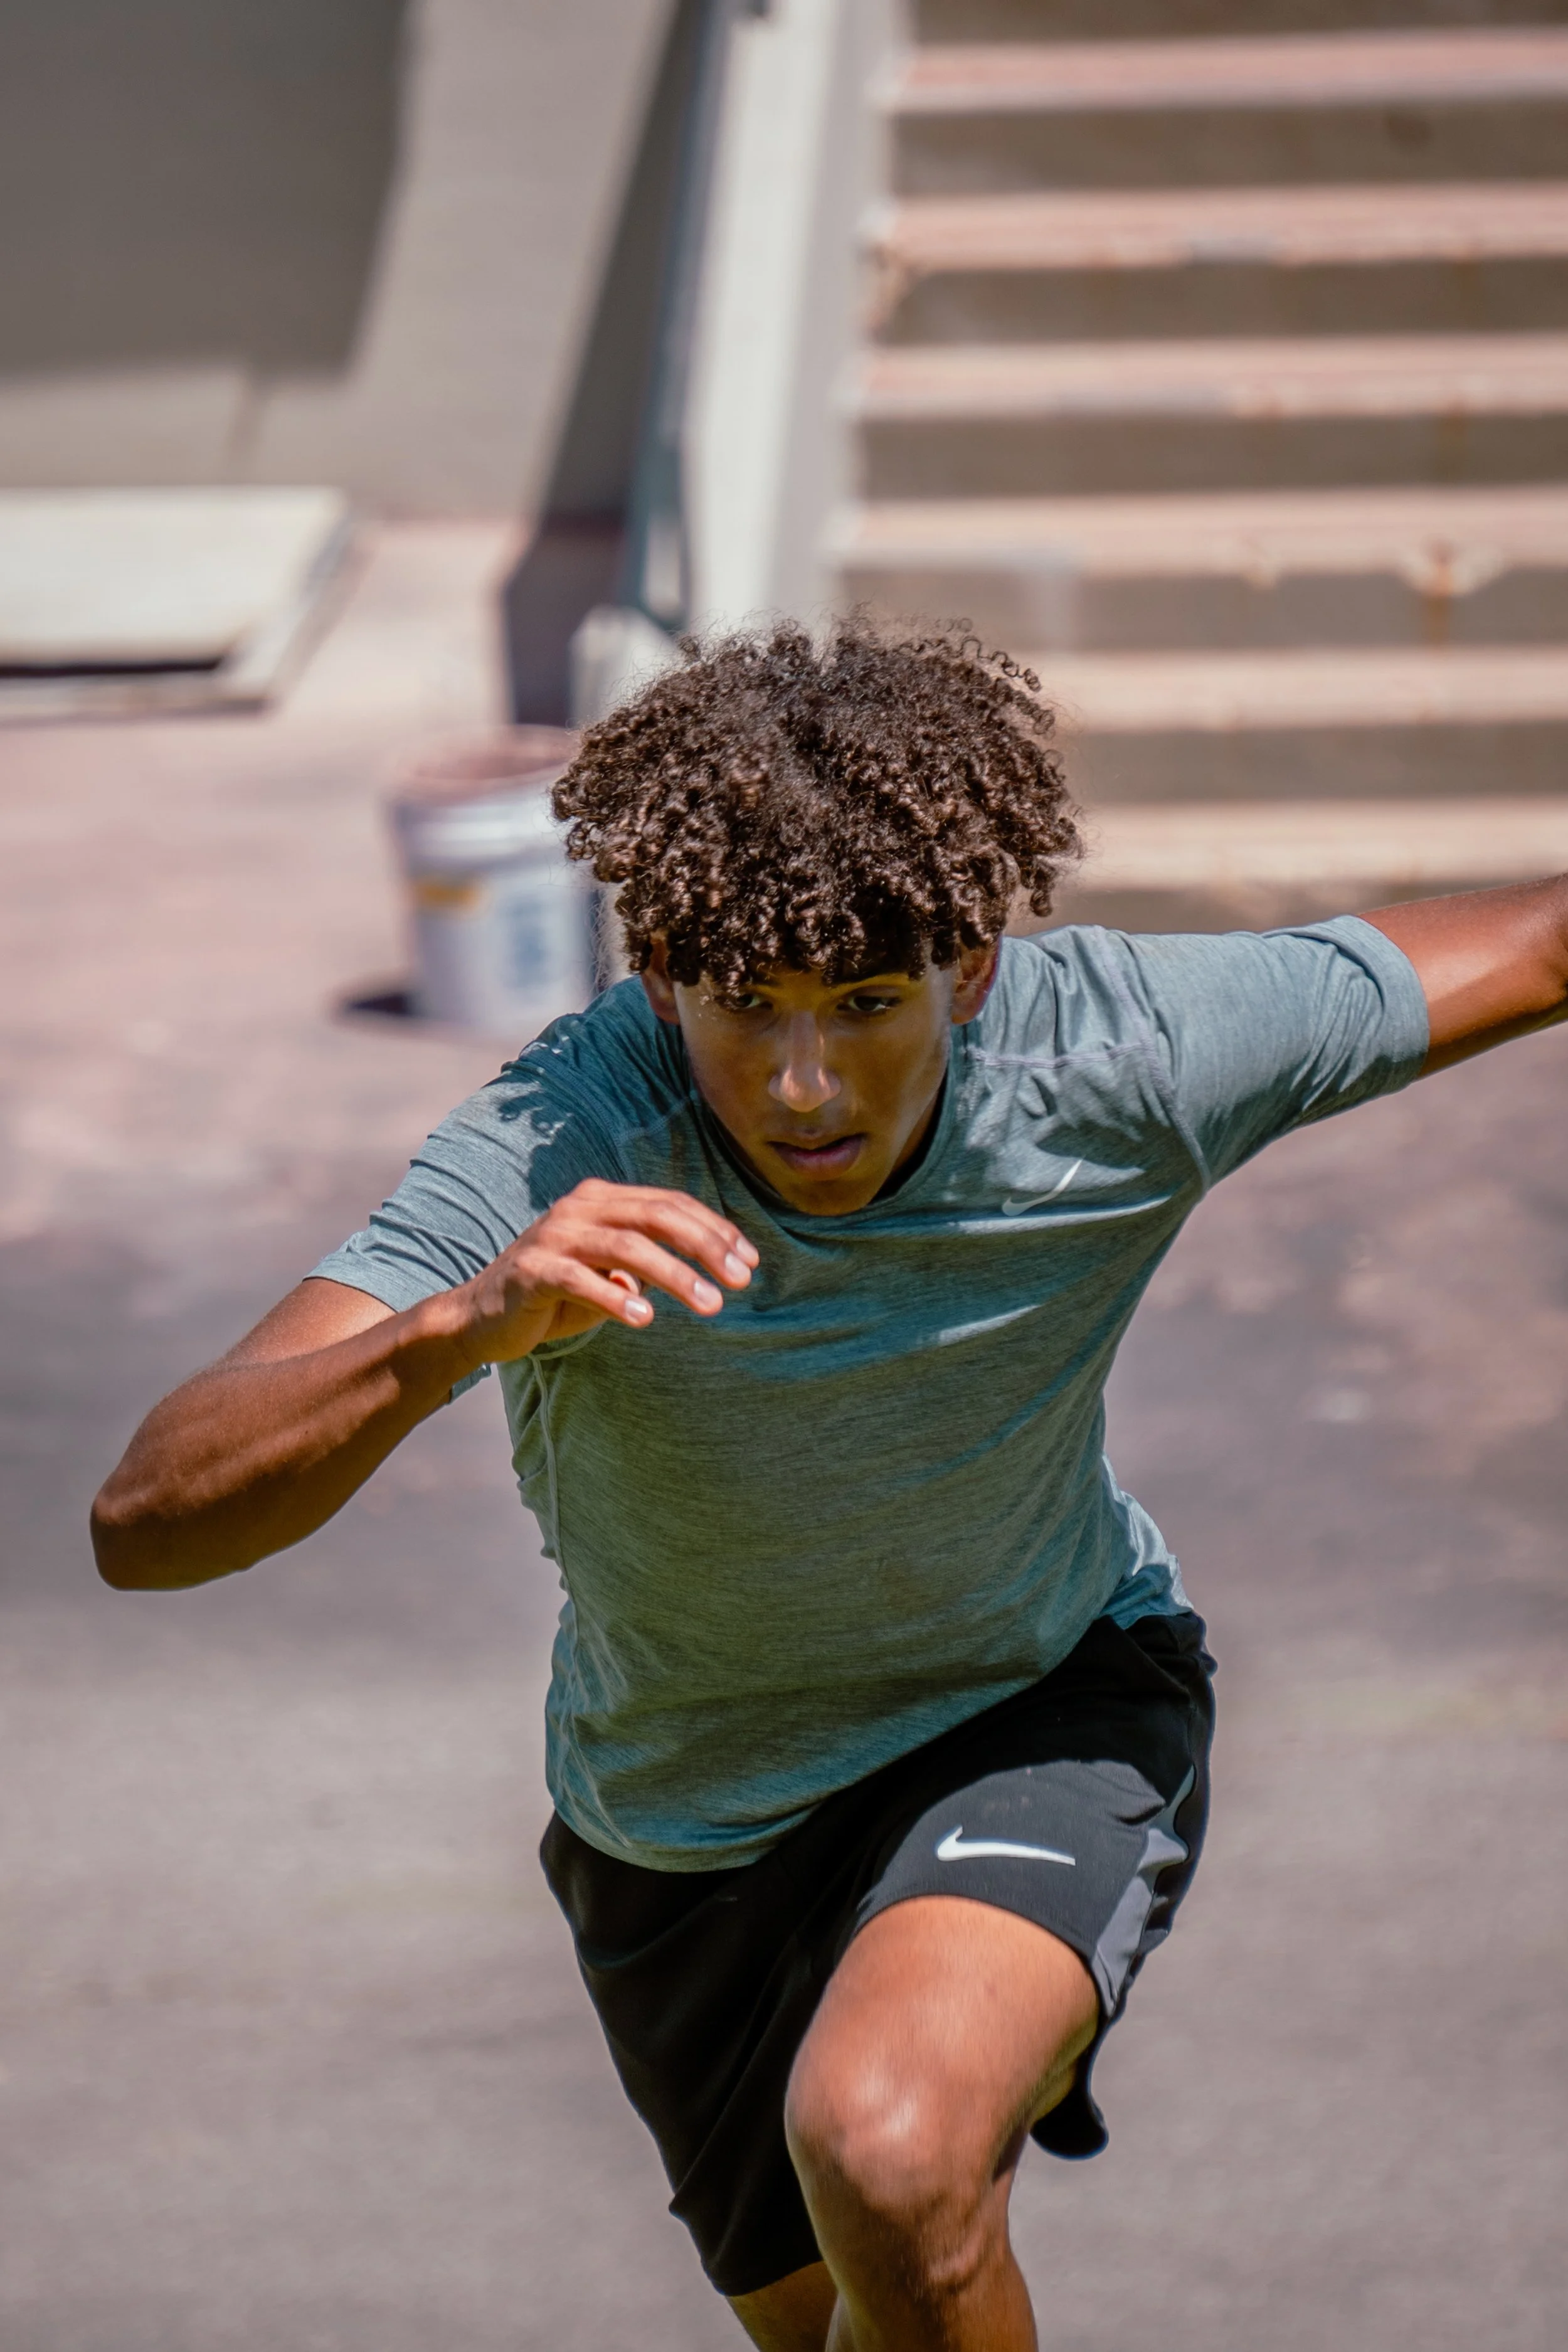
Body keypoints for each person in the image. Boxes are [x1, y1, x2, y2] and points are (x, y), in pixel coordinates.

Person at [92, 620, 1567, 2352]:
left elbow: (1542, 939)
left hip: (1039, 1699)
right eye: (749, 1010)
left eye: (866, 1005)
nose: (804, 1088)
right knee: (847, 2320)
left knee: (889, 2149)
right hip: (684, 1828)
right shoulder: (565, 1138)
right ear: (662, 976)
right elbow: (149, 1523)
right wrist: (457, 1327)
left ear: (970, 969)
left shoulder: (1122, 1052)